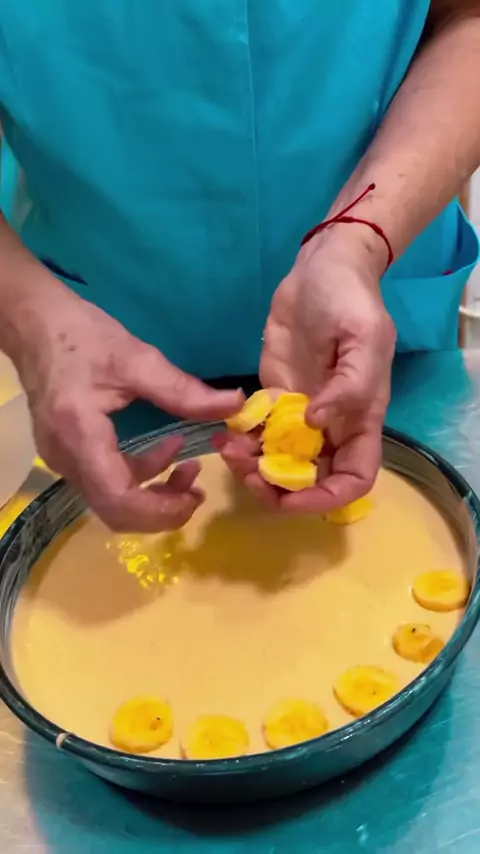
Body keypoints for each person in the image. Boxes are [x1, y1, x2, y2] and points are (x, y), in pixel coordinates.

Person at [0, 1, 479, 532]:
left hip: (386, 323)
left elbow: (468, 19)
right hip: (90, 344)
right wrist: (31, 322)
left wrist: (357, 242)